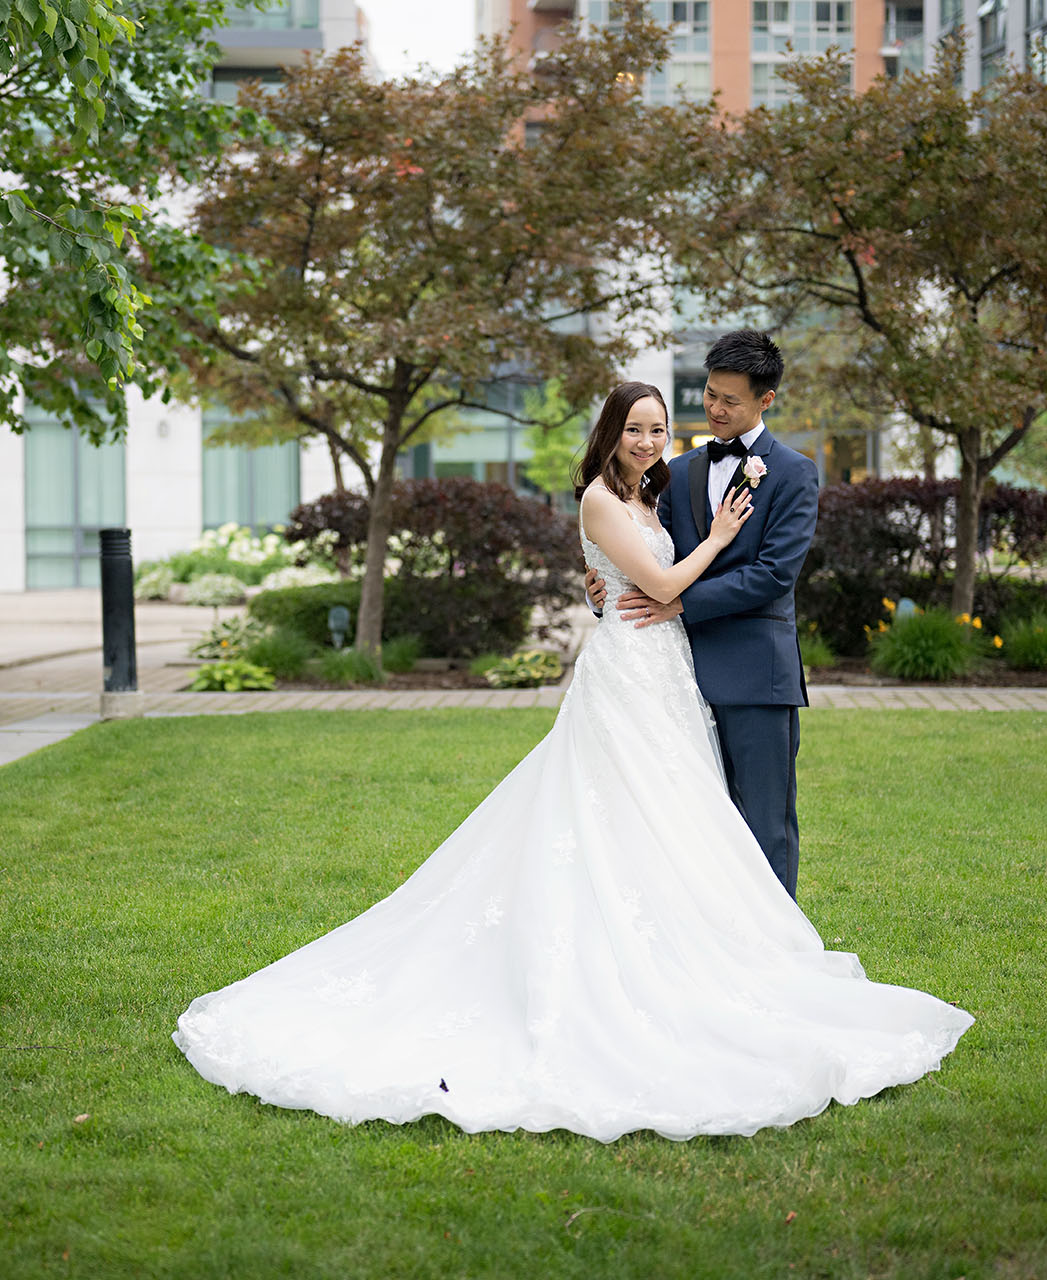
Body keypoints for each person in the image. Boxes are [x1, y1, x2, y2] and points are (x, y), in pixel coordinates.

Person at [171, 379, 973, 1143]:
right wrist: (715, 542)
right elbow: (656, 578)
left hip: (667, 673)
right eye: (635, 429)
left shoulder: (653, 491)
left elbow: (633, 572)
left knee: (676, 811)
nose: (650, 440)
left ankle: (708, 947)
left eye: (660, 429)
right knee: (615, 805)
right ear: (610, 433)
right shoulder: (600, 495)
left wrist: (618, 582)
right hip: (629, 668)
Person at [588, 330, 814, 898]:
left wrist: (678, 601)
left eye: (730, 400)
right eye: (710, 394)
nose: (715, 408)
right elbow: (641, 553)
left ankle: (778, 947)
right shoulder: (677, 471)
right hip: (673, 680)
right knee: (690, 825)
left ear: (765, 400)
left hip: (755, 676)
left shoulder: (794, 473)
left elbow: (773, 575)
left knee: (765, 823)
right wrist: (601, 595)